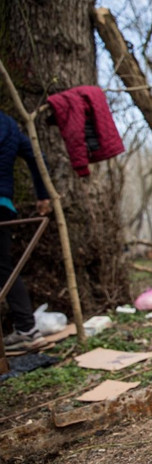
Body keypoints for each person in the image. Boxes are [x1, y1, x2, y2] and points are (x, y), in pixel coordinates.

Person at [1, 111, 52, 353]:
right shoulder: (8, 124)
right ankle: (27, 329)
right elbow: (37, 156)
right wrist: (43, 194)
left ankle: (27, 330)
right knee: (4, 269)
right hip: (3, 205)